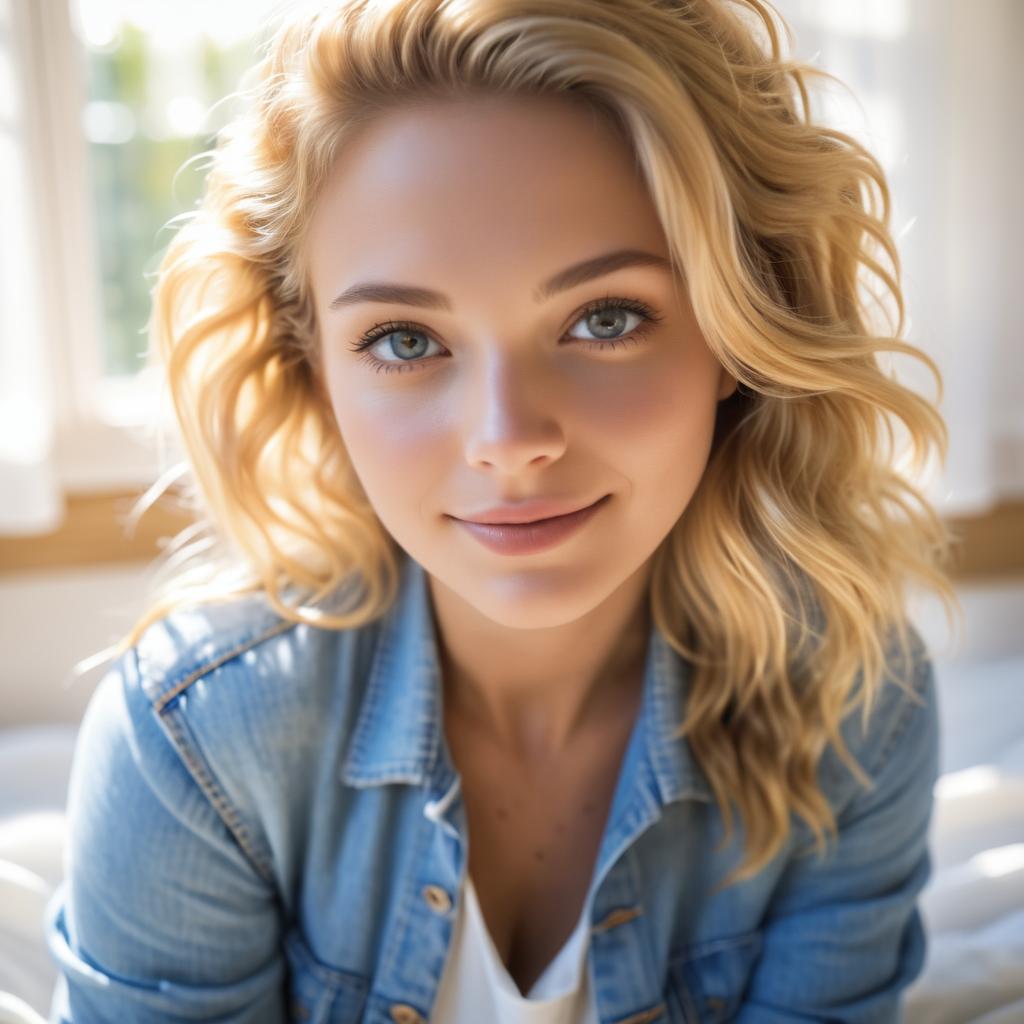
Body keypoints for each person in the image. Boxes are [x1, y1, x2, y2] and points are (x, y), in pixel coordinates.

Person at [43, 0, 962, 1021]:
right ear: (314, 373)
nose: (508, 434)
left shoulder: (852, 707)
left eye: (603, 319)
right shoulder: (197, 745)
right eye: (403, 339)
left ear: (738, 337)